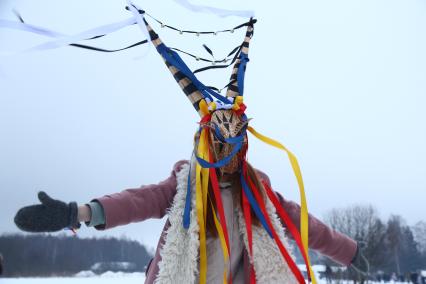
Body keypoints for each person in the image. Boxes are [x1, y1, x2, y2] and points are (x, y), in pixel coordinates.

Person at [13, 7, 365, 284]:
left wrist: (348, 251)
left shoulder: (259, 191)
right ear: (205, 143)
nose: (228, 154)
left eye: (236, 143)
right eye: (220, 143)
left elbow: (301, 222)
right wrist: (79, 212)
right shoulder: (185, 184)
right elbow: (138, 200)